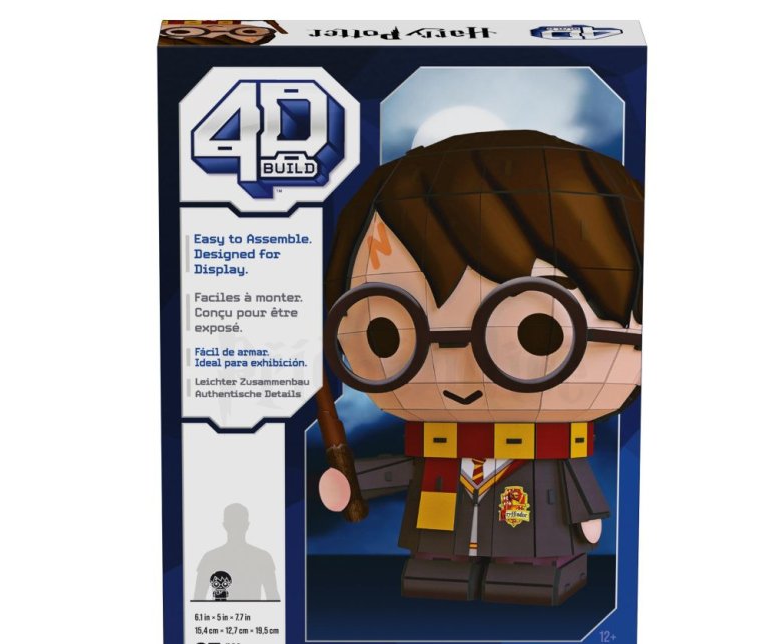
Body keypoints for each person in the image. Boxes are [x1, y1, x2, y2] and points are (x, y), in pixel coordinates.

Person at [318, 130, 642, 605]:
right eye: (385, 333)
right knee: (436, 557)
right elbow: (406, 471)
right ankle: (441, 565)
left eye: (536, 331)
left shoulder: (549, 447)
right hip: (440, 528)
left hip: (534, 529)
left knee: (529, 552)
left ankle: (536, 568)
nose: (459, 367)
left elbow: (573, 482)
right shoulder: (435, 444)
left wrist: (584, 516)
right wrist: (353, 481)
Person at [194, 504, 280, 601]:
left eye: (239, 523)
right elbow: (198, 598)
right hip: (226, 612)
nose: (236, 527)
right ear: (247, 525)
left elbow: (273, 598)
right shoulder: (262, 557)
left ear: (224, 525)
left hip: (246, 611)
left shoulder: (210, 558)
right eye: (233, 523)